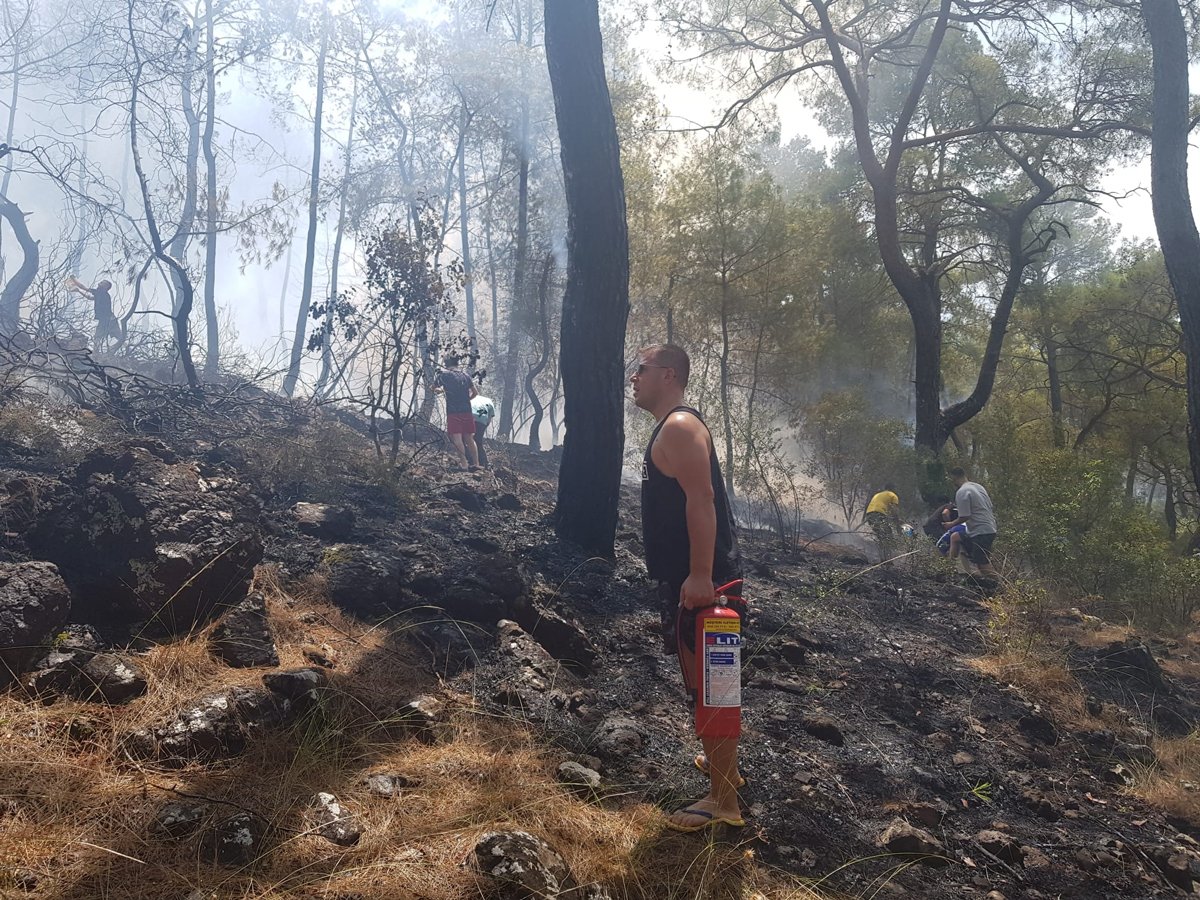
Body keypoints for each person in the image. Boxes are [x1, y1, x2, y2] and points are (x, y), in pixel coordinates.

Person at [631, 343, 746, 833]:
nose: (633, 377)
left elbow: (702, 499)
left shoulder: (678, 426)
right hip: (695, 581)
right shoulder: (674, 426)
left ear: (669, 375)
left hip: (702, 584)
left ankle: (723, 802)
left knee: (712, 687)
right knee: (708, 684)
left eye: (642, 368)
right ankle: (728, 773)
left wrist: (700, 575)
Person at [945, 467, 999, 576]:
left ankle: (1000, 587)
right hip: (988, 527)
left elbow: (964, 516)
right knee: (955, 537)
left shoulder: (962, 492)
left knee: (981, 563)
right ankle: (949, 570)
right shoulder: (978, 487)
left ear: (954, 477)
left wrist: (950, 524)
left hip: (981, 531)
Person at [432, 355, 479, 471]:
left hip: (453, 411)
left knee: (457, 438)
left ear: (446, 365)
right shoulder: (465, 376)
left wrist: (438, 390)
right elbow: (475, 393)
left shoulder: (443, 375)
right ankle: (476, 464)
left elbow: (433, 388)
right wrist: (467, 400)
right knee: (469, 438)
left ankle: (464, 464)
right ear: (457, 364)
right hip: (467, 410)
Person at [67, 276, 121, 350]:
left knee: (99, 337)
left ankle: (96, 353)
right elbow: (89, 297)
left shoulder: (101, 292)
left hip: (109, 320)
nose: (100, 283)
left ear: (105, 287)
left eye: (102, 283)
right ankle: (96, 353)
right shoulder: (101, 294)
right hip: (107, 320)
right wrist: (78, 291)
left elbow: (84, 287)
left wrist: (74, 280)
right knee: (117, 337)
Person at [865, 483, 902, 561]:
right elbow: (895, 511)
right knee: (888, 537)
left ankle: (883, 558)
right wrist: (898, 524)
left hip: (869, 515)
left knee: (881, 536)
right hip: (879, 514)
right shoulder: (893, 495)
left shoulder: (878, 495)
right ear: (893, 489)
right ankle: (888, 559)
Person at [470, 392, 496, 469]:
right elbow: (488, 420)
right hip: (482, 420)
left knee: (466, 439)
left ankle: (470, 461)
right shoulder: (489, 401)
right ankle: (484, 463)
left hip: (469, 416)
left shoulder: (469, 398)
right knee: (478, 441)